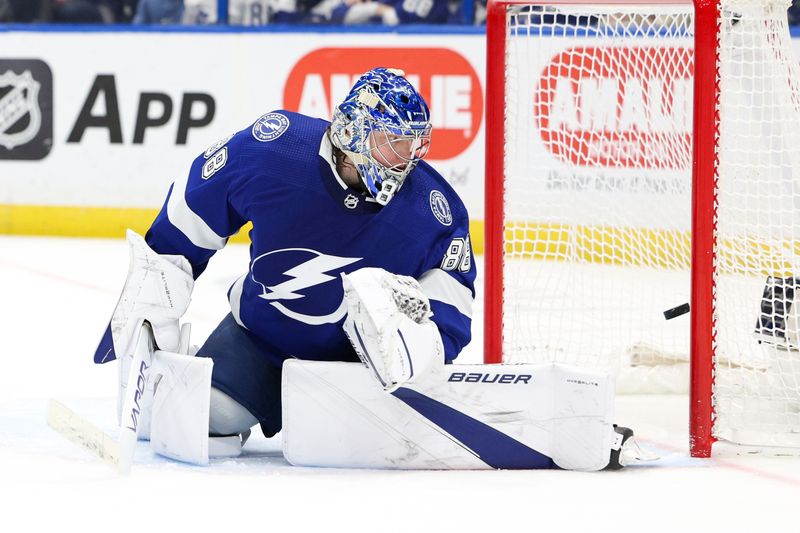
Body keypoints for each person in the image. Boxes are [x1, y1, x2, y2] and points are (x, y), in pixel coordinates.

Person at [96, 68, 637, 471]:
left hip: (360, 373)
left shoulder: (435, 209)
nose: (406, 156)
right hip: (259, 338)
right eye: (391, 141)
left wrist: (414, 338)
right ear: (353, 131)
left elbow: (453, 315)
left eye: (414, 144)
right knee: (203, 422)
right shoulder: (273, 150)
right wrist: (153, 299)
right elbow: (188, 219)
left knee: (355, 458)